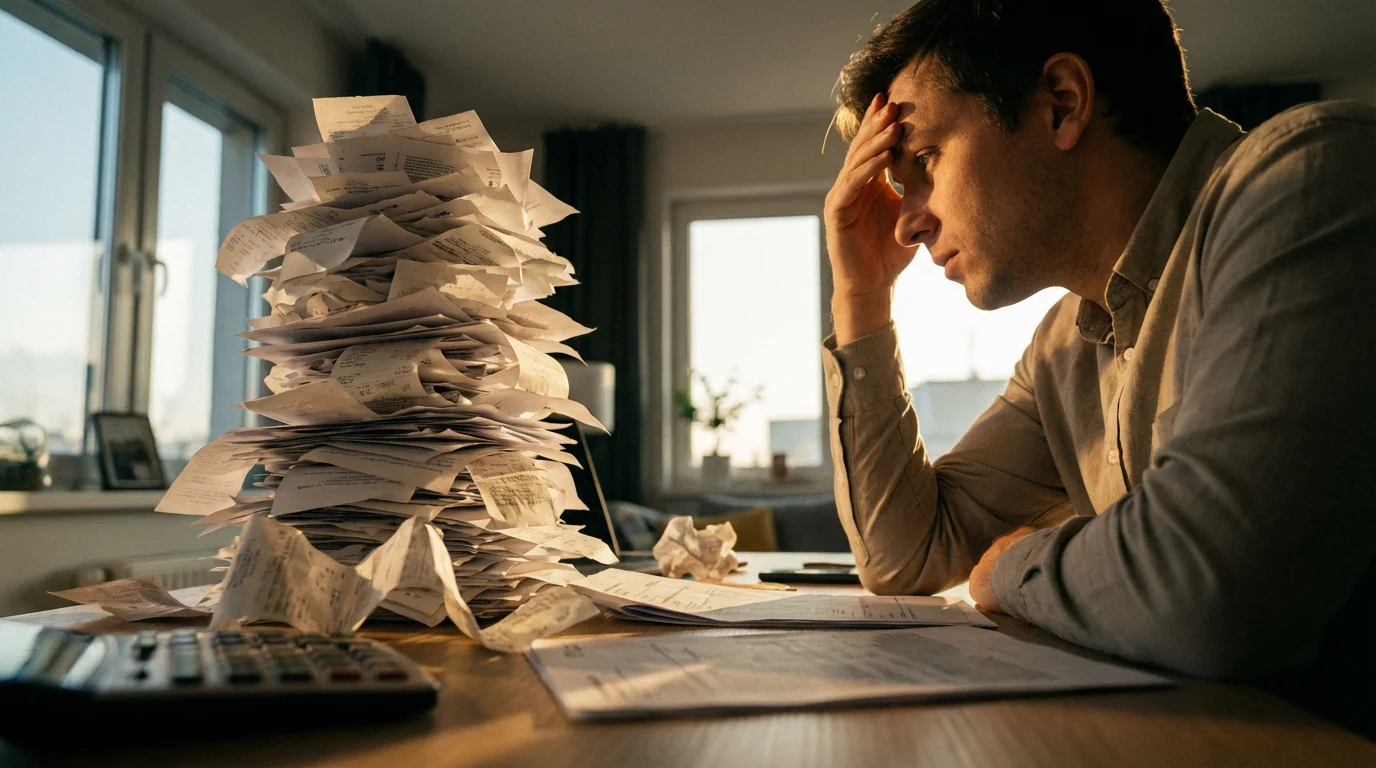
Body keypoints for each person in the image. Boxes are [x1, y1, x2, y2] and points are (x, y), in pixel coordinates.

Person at [822, 0, 1375, 735]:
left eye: (923, 161)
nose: (906, 220)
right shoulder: (1066, 346)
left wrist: (1012, 566)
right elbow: (909, 558)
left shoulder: (1308, 178)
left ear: (1061, 103)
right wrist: (862, 294)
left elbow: (1210, 593)